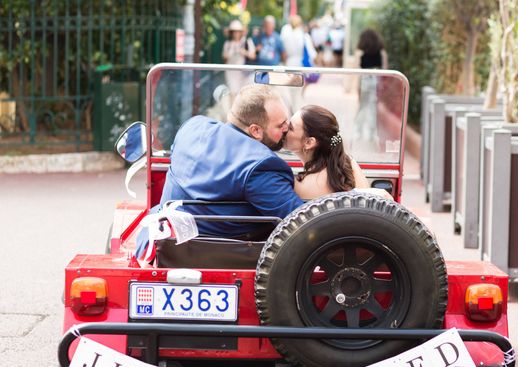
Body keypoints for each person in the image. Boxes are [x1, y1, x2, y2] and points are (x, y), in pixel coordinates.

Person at [135, 84, 303, 258]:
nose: (287, 128)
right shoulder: (261, 165)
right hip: (215, 254)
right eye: (281, 125)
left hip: (154, 241)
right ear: (256, 131)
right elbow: (301, 221)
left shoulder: (192, 127)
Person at [284, 105, 371, 199]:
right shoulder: (349, 164)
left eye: (290, 128)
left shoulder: (301, 185)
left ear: (309, 142)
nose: (284, 129)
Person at [222, 20, 256, 94]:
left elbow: (253, 56)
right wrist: (231, 52)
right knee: (233, 92)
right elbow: (224, 58)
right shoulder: (227, 44)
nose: (236, 33)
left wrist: (244, 52)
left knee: (243, 93)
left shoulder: (247, 42)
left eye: (238, 31)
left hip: (243, 73)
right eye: (234, 31)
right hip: (231, 72)